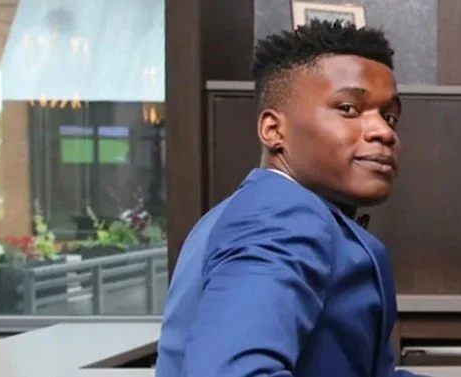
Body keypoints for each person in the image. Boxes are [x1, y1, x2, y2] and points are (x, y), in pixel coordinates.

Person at [155, 20, 429, 376]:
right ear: (274, 130)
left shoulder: (245, 211)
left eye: (389, 117)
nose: (383, 132)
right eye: (348, 108)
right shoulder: (280, 219)